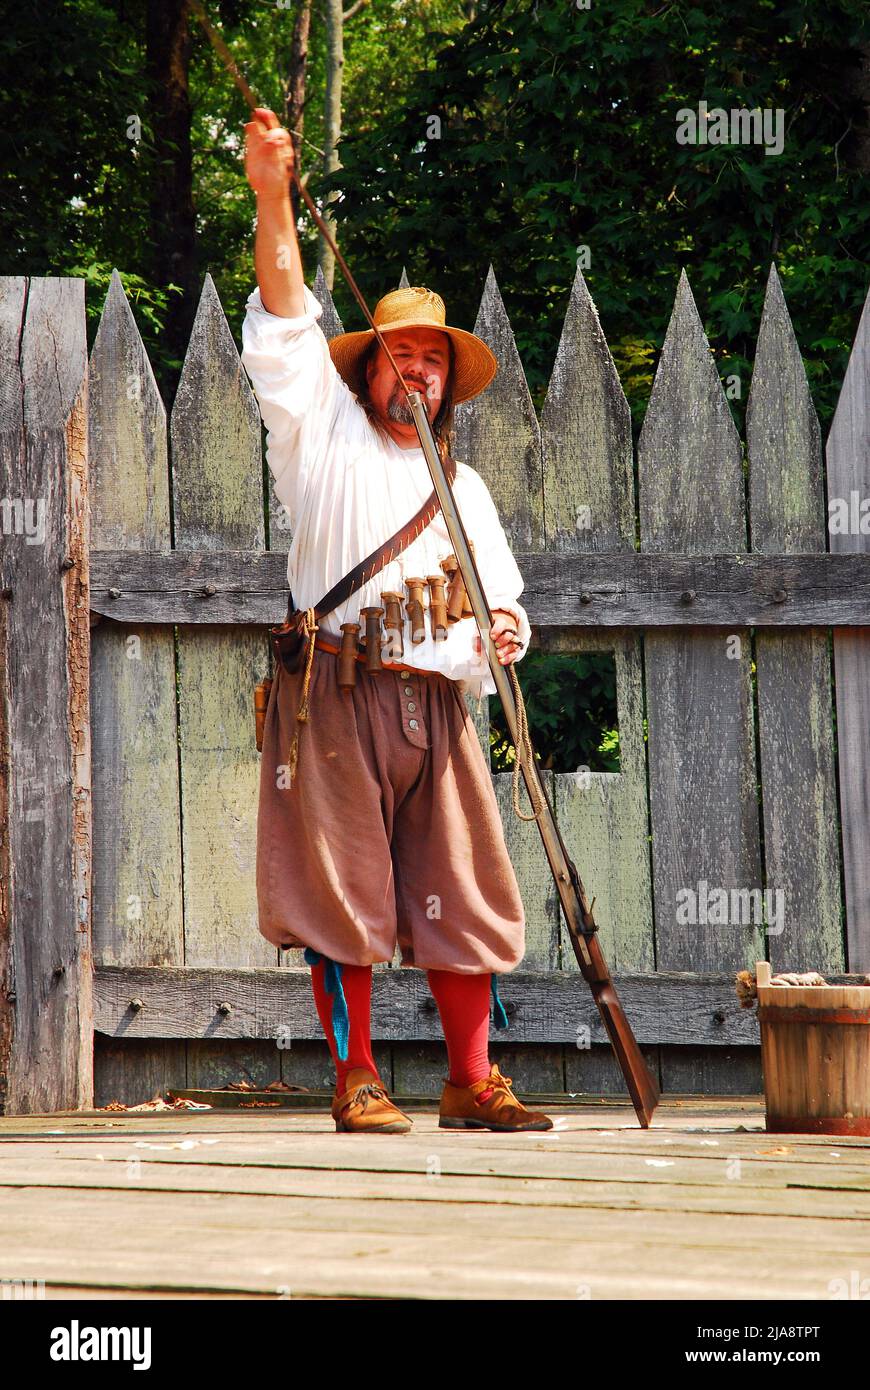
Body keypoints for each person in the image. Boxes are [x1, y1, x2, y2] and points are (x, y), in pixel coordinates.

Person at [241, 107, 552, 1135]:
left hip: (442, 709)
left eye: (431, 359)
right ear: (367, 368)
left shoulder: (462, 485)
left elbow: (502, 598)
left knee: (465, 890)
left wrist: (502, 630)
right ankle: (357, 1075)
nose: (415, 369)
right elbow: (287, 306)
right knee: (341, 892)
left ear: (444, 380)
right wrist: (273, 195)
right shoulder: (317, 438)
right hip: (332, 696)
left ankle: (471, 1079)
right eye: (399, 354)